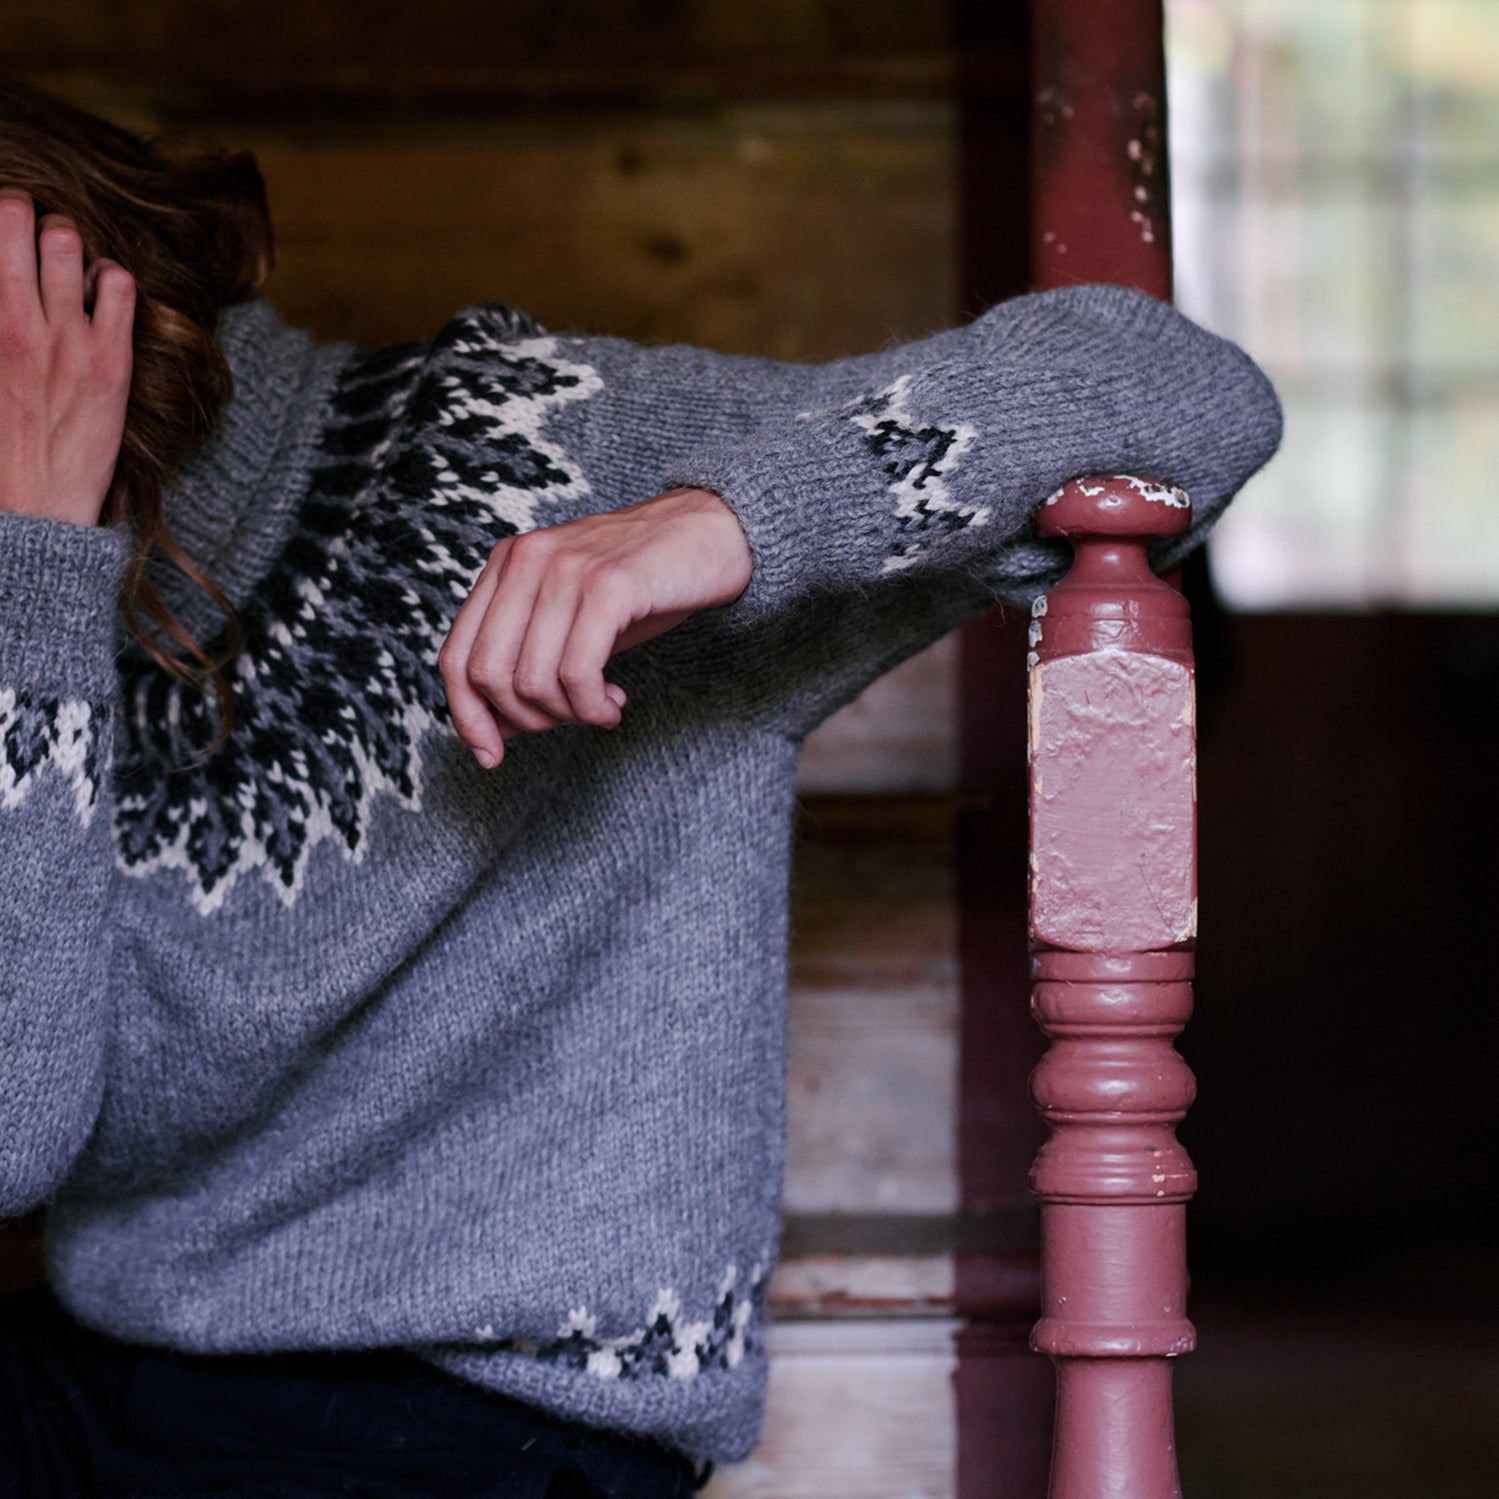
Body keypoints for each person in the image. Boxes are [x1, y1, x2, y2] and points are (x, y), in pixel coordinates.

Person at [0, 79, 1282, 1497]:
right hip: (94, 1364)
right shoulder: (22, 614)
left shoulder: (539, 455)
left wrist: (731, 520)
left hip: (492, 1411)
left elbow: (1183, 394)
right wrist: (36, 579)